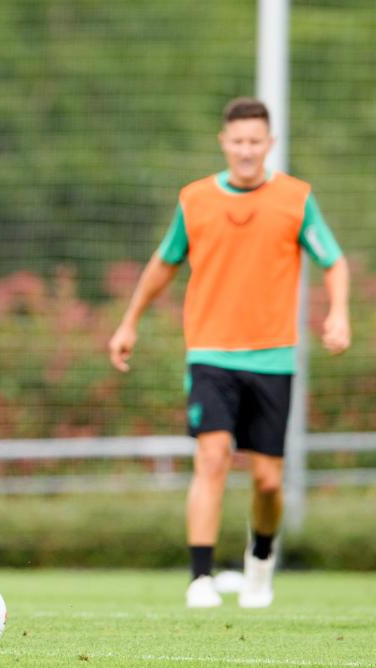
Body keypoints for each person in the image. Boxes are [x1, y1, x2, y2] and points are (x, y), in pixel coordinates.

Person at [108, 97, 350, 609]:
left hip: (273, 358)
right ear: (224, 142)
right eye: (237, 141)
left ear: (269, 144)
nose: (245, 150)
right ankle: (200, 578)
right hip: (210, 354)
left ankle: (259, 563)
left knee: (267, 481)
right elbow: (162, 264)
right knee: (213, 456)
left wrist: (338, 313)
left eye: (254, 142)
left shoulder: (296, 199)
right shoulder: (195, 200)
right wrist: (129, 321)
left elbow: (334, 261)